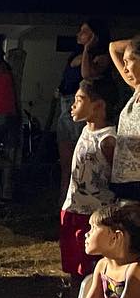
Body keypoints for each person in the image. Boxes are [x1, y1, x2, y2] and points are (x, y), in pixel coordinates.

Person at [60, 78, 119, 283]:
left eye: (80, 99)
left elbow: (116, 177)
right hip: (73, 208)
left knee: (89, 268)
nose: (73, 105)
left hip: (93, 216)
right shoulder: (85, 130)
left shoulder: (108, 140)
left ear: (98, 105)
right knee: (73, 265)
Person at [57, 22, 113, 187]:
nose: (79, 34)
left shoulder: (100, 57)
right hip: (66, 105)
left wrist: (88, 48)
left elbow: (86, 74)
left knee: (83, 161)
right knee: (66, 164)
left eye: (85, 31)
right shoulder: (75, 55)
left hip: (85, 108)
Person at [108, 36, 140, 201]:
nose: (125, 68)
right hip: (123, 181)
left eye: (130, 61)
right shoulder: (137, 90)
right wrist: (133, 45)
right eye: (124, 62)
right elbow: (113, 47)